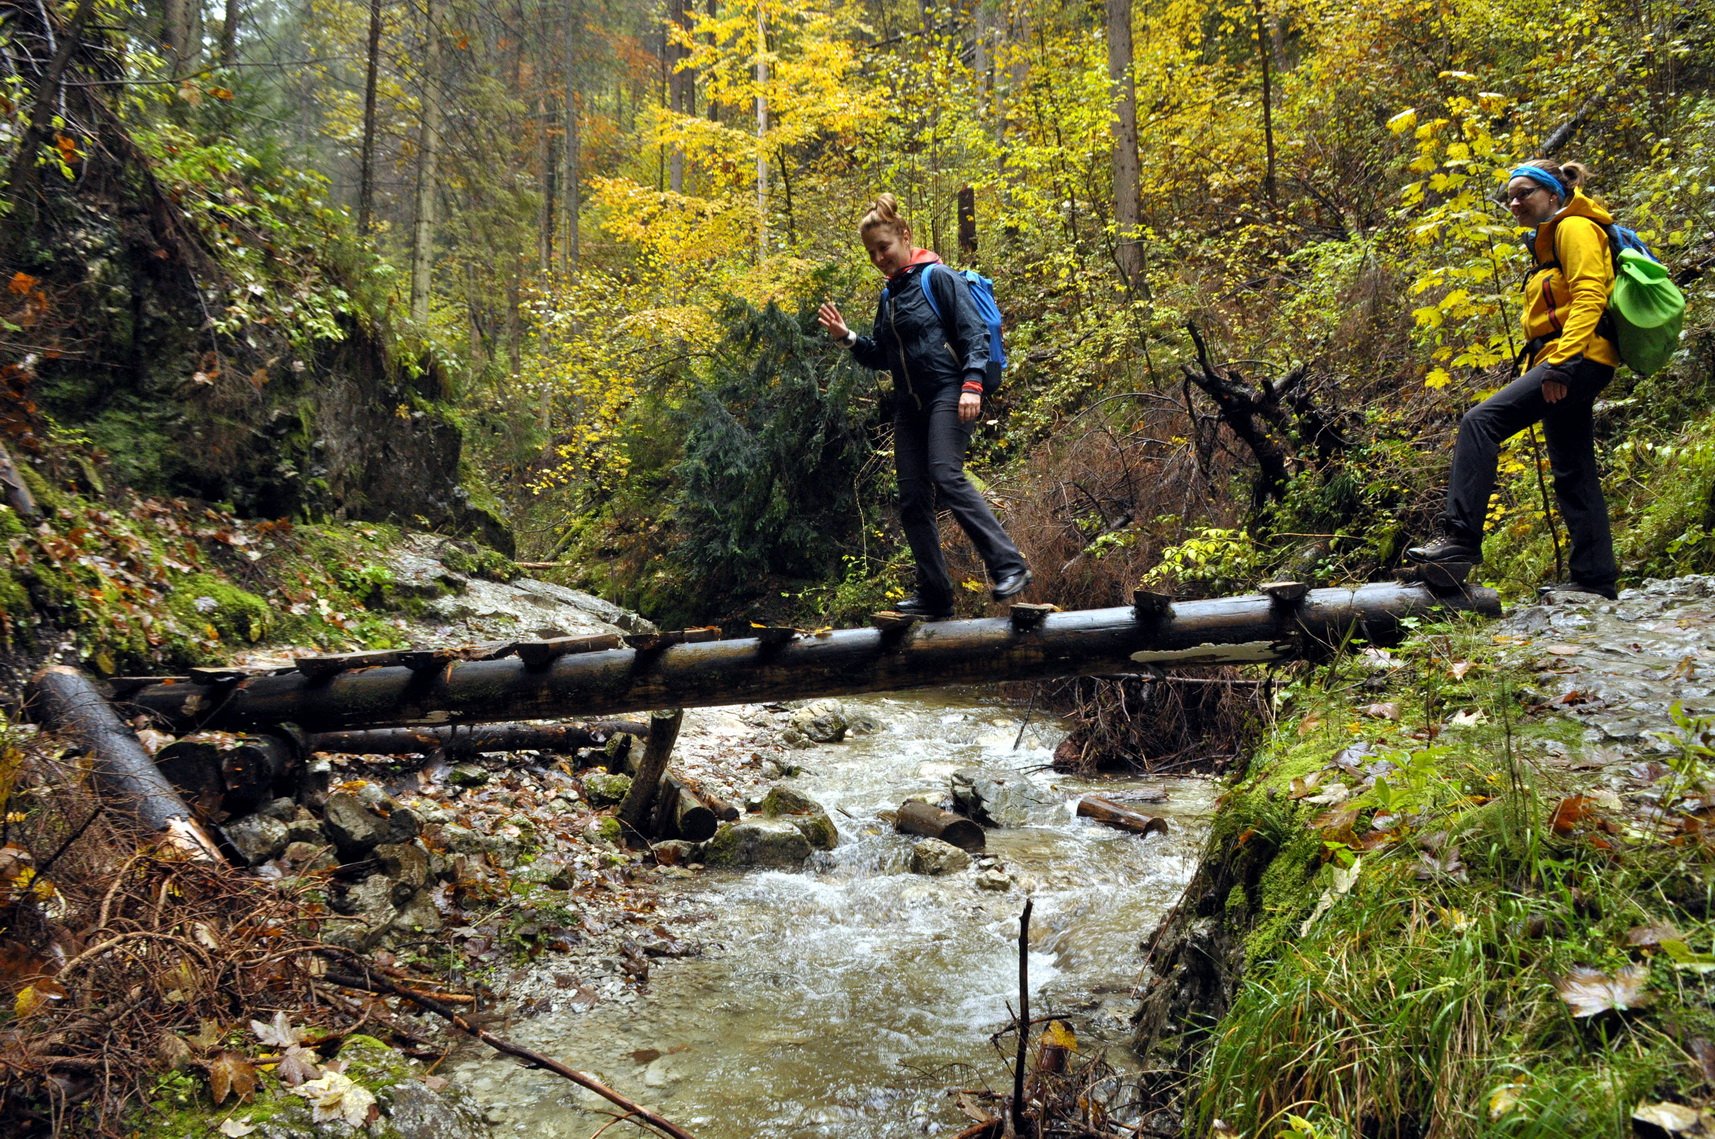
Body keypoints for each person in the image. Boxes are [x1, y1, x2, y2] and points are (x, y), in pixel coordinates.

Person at [1406, 158, 1621, 599]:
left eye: (1525, 192)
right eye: (1511, 196)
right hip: (1574, 358)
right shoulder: (1547, 242)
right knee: (1573, 468)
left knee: (1481, 422)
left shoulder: (1573, 227)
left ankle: (1458, 542)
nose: (1515, 202)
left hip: (1575, 357)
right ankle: (1595, 578)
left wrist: (1561, 362)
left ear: (1553, 195)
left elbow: (1590, 296)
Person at [817, 194, 1031, 619]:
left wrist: (972, 384)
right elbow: (884, 356)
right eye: (872, 252)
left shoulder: (939, 277)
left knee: (946, 474)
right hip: (909, 405)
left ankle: (1009, 565)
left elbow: (974, 333)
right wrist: (848, 338)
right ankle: (936, 597)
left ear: (905, 236)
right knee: (913, 498)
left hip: (949, 390)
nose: (879, 257)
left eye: (885, 247)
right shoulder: (889, 296)